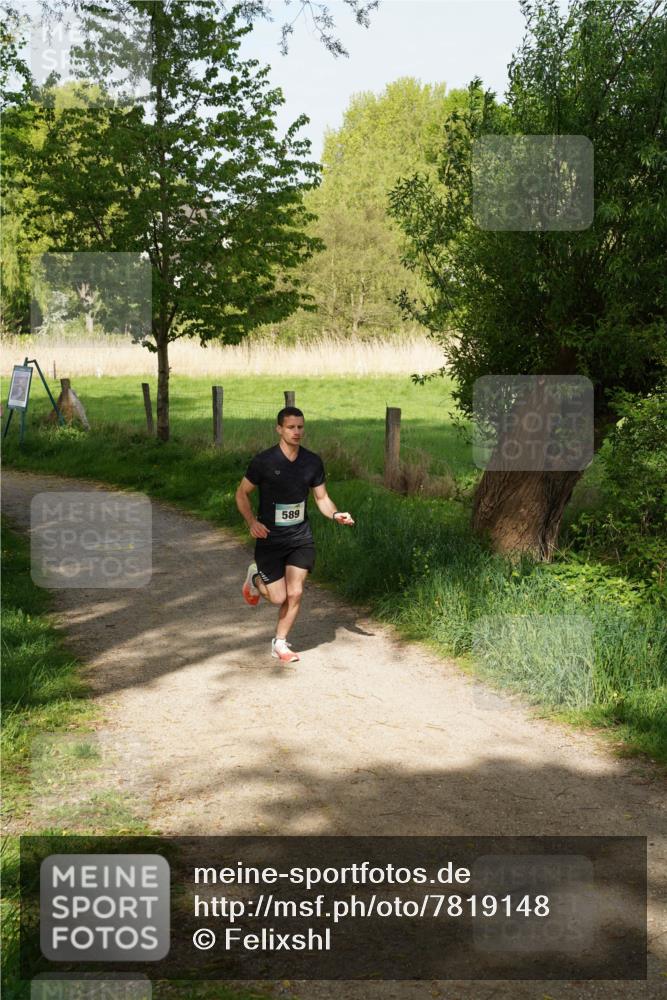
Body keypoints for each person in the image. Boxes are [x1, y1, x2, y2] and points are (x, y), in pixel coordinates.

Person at [235, 407, 354, 663]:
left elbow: (321, 498)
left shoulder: (312, 462)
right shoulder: (264, 462)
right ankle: (255, 577)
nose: (297, 432)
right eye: (291, 427)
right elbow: (241, 494)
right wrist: (251, 522)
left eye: (300, 427)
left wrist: (335, 514)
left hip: (300, 538)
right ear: (279, 429)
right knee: (277, 597)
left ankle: (280, 643)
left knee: (296, 592)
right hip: (270, 539)